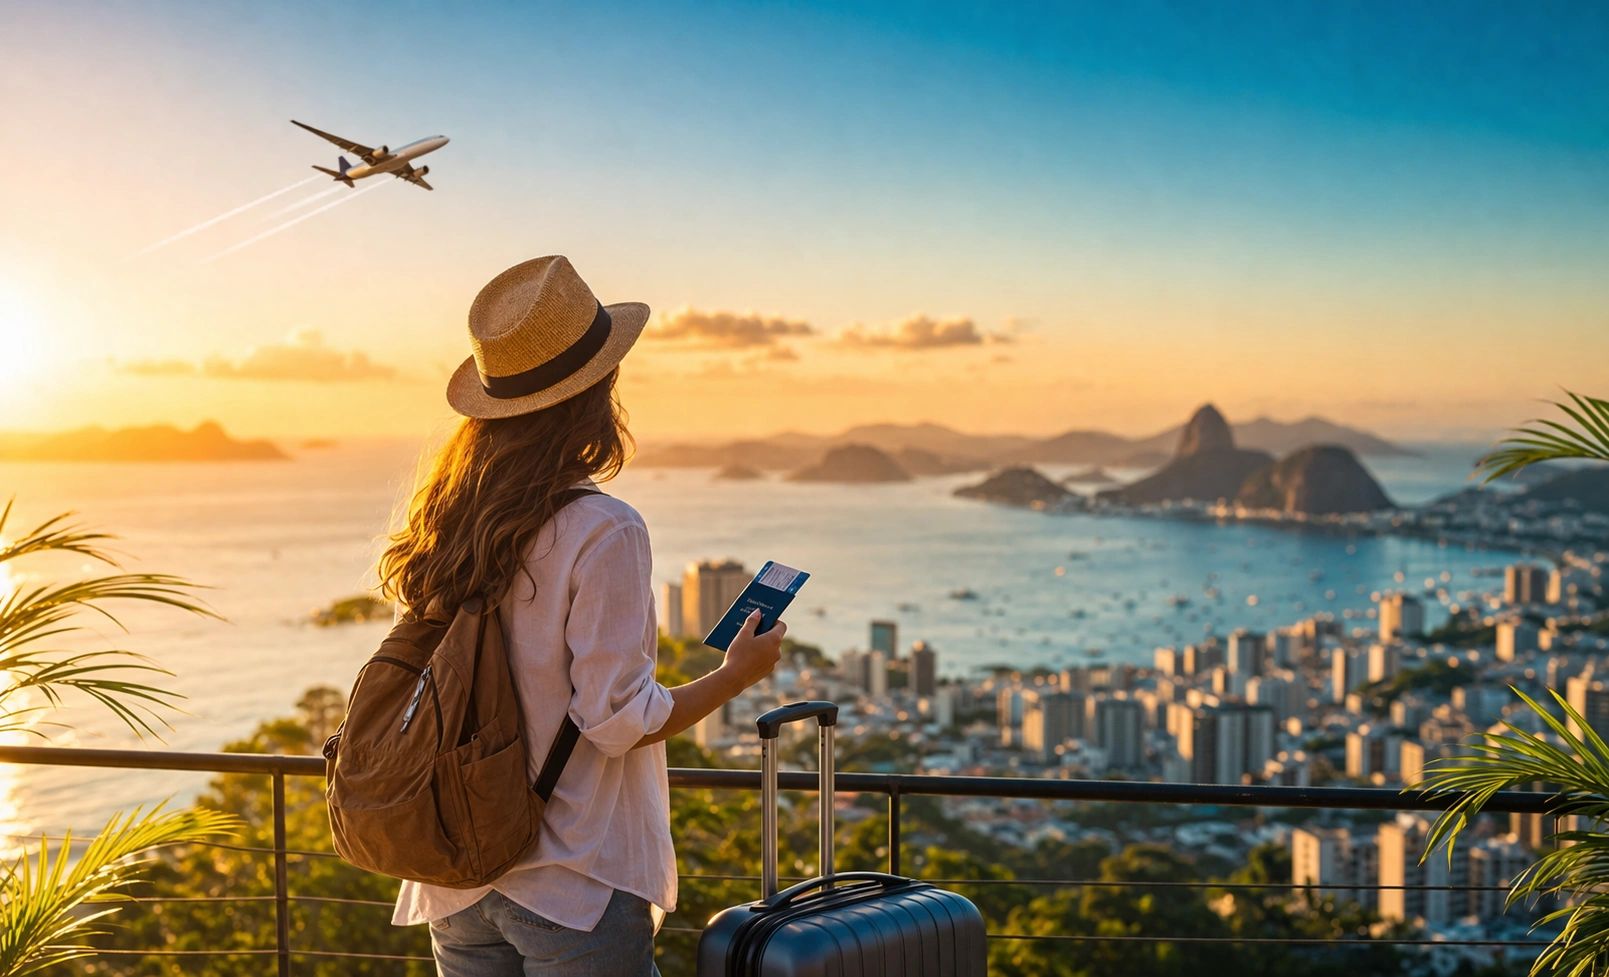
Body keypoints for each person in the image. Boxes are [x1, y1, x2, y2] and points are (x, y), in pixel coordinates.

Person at [377, 255, 784, 976]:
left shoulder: (450, 518)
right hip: (572, 877)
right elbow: (617, 719)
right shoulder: (604, 528)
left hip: (455, 870)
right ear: (596, 392)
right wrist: (736, 674)